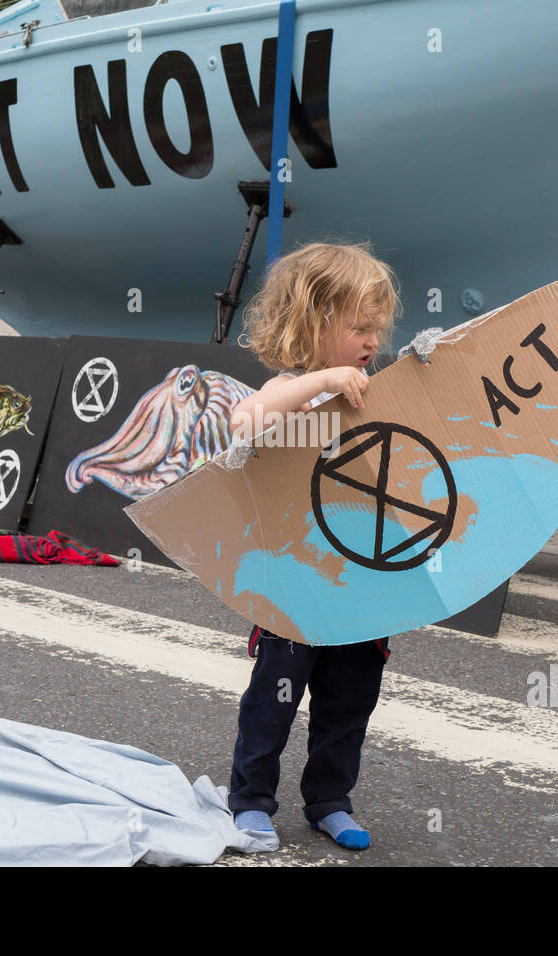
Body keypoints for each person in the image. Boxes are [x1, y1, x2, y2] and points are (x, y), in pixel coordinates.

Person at [225, 242, 400, 852]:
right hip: (295, 579)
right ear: (313, 321)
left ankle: (330, 799)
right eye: (358, 327)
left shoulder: (376, 393)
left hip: (360, 584)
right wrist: (323, 381)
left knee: (350, 703)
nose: (371, 341)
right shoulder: (293, 389)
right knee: (273, 698)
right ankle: (250, 800)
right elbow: (245, 422)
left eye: (377, 330)